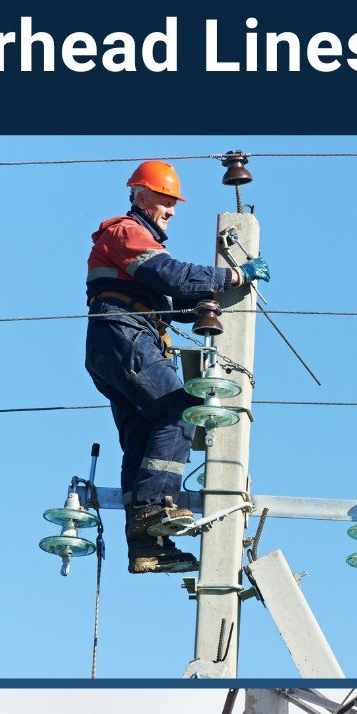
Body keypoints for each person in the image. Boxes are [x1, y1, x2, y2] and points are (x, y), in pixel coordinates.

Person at [85, 160, 270, 573]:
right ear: (140, 194)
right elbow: (172, 277)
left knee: (143, 437)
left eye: (174, 203)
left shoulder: (132, 243)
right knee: (181, 409)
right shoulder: (126, 231)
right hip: (125, 334)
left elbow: (174, 299)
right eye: (166, 200)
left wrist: (208, 297)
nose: (171, 210)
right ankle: (154, 508)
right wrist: (235, 275)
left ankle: (146, 545)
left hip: (116, 341)